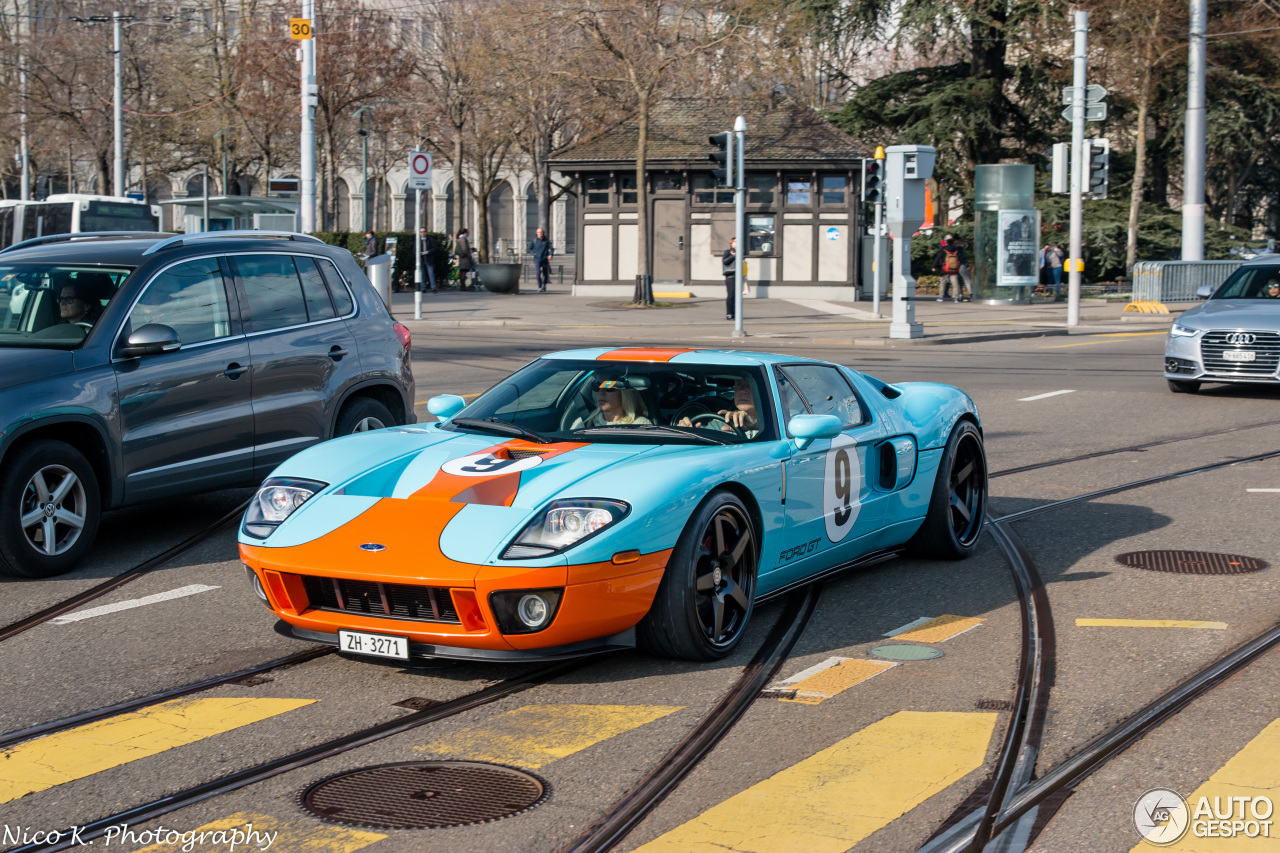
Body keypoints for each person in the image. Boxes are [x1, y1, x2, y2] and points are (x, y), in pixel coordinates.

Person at [677, 377, 760, 438]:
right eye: (739, 384)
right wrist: (689, 435)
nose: (742, 390)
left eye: (751, 385)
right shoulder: (721, 421)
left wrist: (756, 424)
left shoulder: (772, 420)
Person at [569, 374, 652, 429]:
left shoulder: (640, 425)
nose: (600, 392)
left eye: (608, 388)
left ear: (624, 393)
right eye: (596, 386)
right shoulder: (584, 423)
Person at [933, 234, 968, 303]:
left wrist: (933, 266)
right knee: (955, 284)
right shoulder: (956, 249)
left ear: (946, 242)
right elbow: (960, 257)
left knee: (943, 283)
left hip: (945, 268)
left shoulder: (943, 249)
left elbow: (938, 257)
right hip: (954, 269)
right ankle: (956, 298)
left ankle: (940, 297)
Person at [528, 227, 554, 293]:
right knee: (538, 272)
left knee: (545, 273)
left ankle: (544, 285)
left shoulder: (546, 240)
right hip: (537, 259)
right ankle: (539, 286)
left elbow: (552, 248)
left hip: (545, 259)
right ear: (536, 233)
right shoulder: (534, 241)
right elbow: (529, 249)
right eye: (539, 232)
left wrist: (550, 254)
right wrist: (533, 253)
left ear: (543, 233)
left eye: (541, 232)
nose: (540, 234)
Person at [723, 237, 738, 320]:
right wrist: (733, 256)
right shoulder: (728, 252)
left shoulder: (740, 252)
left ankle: (735, 313)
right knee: (731, 295)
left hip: (739, 276)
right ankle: (729, 313)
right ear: (731, 243)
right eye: (735, 241)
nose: (737, 243)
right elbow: (725, 261)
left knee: (737, 296)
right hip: (731, 276)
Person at [419, 227, 438, 293]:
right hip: (421, 259)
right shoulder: (418, 240)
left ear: (426, 232)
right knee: (422, 274)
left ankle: (433, 288)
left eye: (423, 231)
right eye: (421, 232)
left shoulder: (430, 240)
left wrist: (428, 251)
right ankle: (423, 288)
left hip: (429, 259)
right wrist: (419, 253)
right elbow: (414, 250)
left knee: (431, 274)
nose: (422, 233)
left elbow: (434, 248)